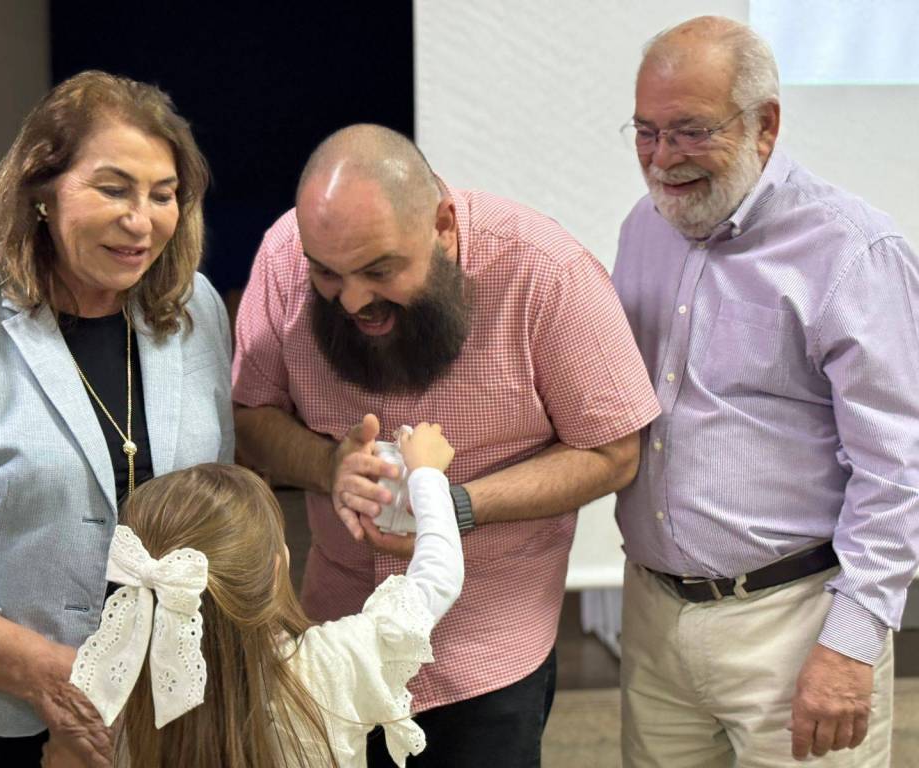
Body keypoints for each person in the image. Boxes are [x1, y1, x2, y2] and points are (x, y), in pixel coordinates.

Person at [232, 123, 660, 765]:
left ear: (442, 226)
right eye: (327, 275)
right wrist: (326, 465)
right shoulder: (282, 254)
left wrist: (453, 507)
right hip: (336, 641)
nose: (353, 301)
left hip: (487, 651)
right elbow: (251, 414)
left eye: (379, 271)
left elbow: (613, 451)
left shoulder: (547, 274)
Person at [0, 70, 235, 767]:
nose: (141, 221)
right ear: (41, 191)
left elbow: (214, 510)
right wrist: (55, 677)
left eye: (163, 194)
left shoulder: (196, 308)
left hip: (167, 712)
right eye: (113, 189)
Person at [612, 16, 919, 766]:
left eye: (691, 132)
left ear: (765, 125)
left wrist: (849, 646)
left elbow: (898, 467)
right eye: (647, 132)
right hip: (654, 618)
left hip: (796, 624)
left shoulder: (851, 251)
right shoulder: (643, 228)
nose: (663, 159)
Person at [48, 423, 463, 768]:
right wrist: (425, 474)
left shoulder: (130, 697)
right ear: (278, 567)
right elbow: (438, 576)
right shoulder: (329, 664)